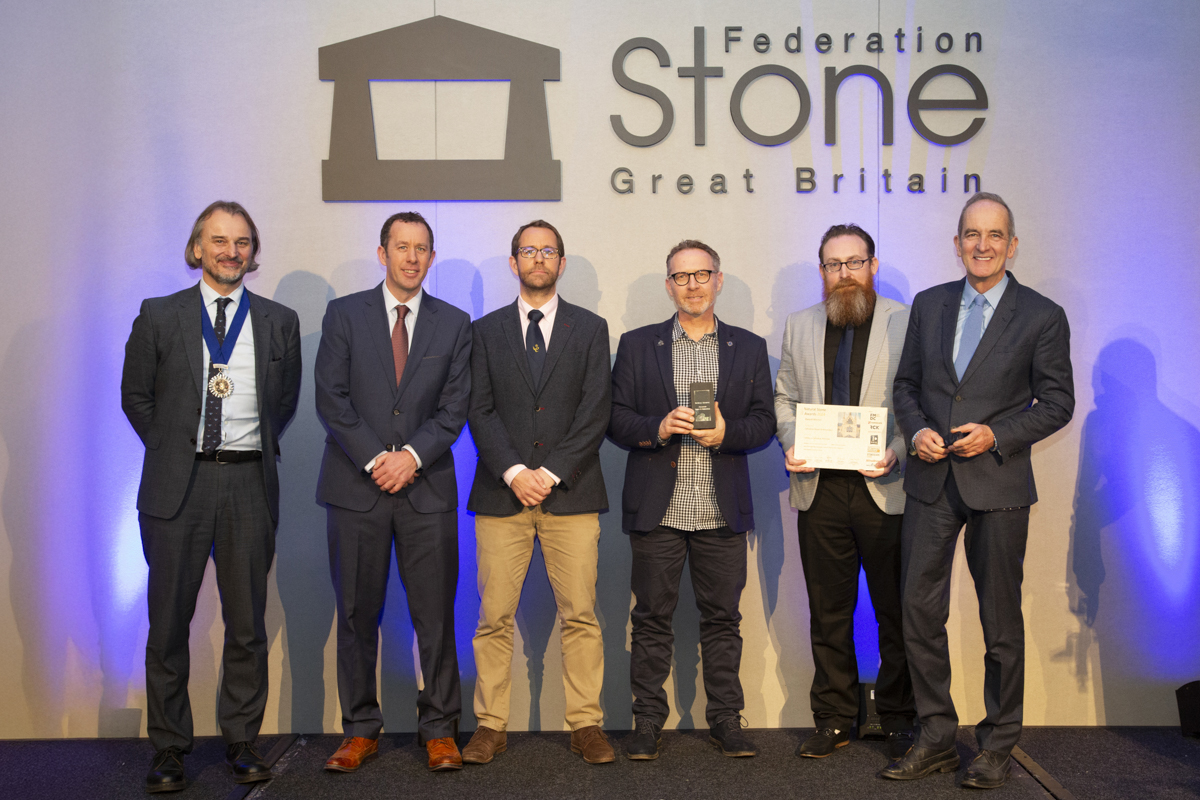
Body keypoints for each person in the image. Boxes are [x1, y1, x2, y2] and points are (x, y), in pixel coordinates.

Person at [882, 193, 1074, 788]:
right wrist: (915, 433)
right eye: (971, 234)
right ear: (958, 242)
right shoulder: (930, 304)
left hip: (999, 484)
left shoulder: (1042, 315)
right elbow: (907, 384)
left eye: (994, 235)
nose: (982, 245)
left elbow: (1059, 403)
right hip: (932, 481)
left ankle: (996, 745)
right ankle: (936, 736)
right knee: (918, 612)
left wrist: (996, 434)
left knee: (999, 621)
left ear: (1012, 245)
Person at [122, 201, 302, 793]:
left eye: (243, 241)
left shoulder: (280, 322)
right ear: (197, 248)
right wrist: (179, 451)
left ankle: (242, 741)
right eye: (219, 240)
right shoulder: (158, 315)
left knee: (247, 624)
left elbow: (284, 406)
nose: (232, 251)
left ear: (253, 251)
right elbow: (136, 398)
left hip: (249, 482)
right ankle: (169, 748)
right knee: (169, 624)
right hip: (180, 487)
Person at [314, 211, 471, 772]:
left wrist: (411, 458)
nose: (411, 257)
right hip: (357, 488)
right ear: (382, 253)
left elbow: (455, 410)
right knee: (356, 615)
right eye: (401, 247)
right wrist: (381, 459)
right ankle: (360, 729)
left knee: (436, 616)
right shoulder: (343, 315)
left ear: (431, 257)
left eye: (422, 248)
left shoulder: (455, 324)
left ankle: (439, 729)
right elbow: (331, 400)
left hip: (427, 489)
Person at [609, 240, 775, 760]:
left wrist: (727, 433)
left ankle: (726, 718)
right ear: (669, 286)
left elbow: (766, 424)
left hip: (720, 507)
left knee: (723, 619)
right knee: (652, 619)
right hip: (659, 508)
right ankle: (647, 722)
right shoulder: (638, 345)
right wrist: (657, 428)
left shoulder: (748, 347)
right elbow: (613, 419)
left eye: (702, 274)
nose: (693, 284)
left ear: (718, 280)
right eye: (682, 277)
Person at [463, 220, 614, 765]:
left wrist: (547, 473)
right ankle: (489, 725)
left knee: (581, 616)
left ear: (561, 263)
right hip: (501, 495)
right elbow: (477, 410)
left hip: (570, 494)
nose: (539, 259)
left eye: (548, 251)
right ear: (513, 263)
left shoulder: (591, 328)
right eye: (529, 251)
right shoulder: (483, 331)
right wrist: (513, 471)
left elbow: (596, 410)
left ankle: (586, 725)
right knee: (492, 618)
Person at [774, 224, 915, 761]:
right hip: (820, 490)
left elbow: (918, 401)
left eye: (854, 262)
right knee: (828, 610)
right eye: (833, 265)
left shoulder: (906, 321)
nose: (844, 274)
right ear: (822, 272)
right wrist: (791, 441)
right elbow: (784, 396)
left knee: (894, 611)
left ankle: (898, 716)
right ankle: (833, 718)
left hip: (885, 487)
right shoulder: (800, 324)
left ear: (873, 266)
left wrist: (898, 450)